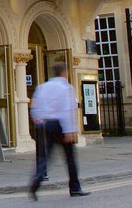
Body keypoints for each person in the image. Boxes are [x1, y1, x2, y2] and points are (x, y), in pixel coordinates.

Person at [29, 62, 89, 201]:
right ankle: (75, 188)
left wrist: (38, 122)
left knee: (46, 156)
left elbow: (35, 106)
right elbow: (67, 110)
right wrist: (70, 131)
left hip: (46, 124)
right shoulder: (66, 88)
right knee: (70, 158)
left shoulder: (42, 87)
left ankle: (36, 180)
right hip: (60, 125)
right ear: (64, 73)